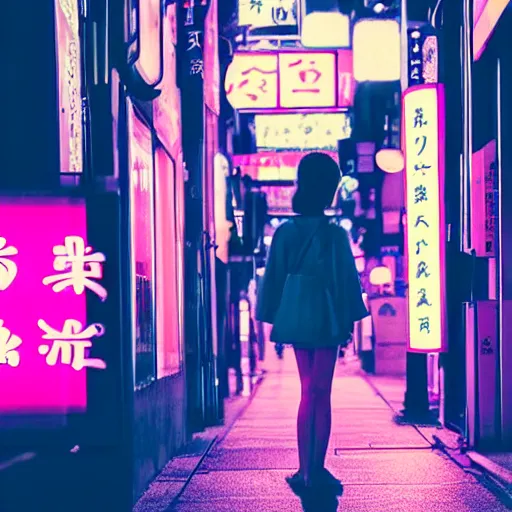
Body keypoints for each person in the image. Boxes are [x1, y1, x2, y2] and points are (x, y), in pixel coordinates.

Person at [256, 152, 369, 492]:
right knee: (322, 391)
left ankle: (305, 470)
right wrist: (349, 321)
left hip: (298, 317)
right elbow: (347, 281)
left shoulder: (285, 232)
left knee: (308, 390)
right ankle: (315, 470)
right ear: (330, 189)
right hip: (327, 317)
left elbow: (273, 279)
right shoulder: (335, 235)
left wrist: (274, 317)